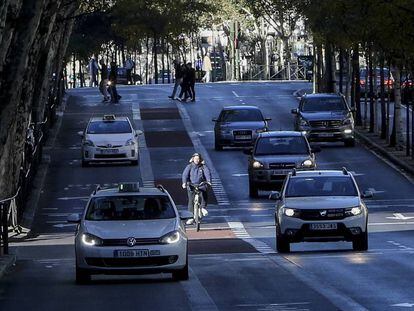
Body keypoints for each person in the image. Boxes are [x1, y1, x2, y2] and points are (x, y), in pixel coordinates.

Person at [182, 153, 212, 224]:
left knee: (204, 196)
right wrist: (184, 183)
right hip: (191, 185)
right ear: (193, 159)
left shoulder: (203, 167)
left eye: (198, 159)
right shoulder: (189, 166)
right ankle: (191, 217)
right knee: (191, 201)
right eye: (195, 159)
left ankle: (202, 208)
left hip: (201, 185)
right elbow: (185, 175)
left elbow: (208, 173)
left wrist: (208, 181)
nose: (197, 160)